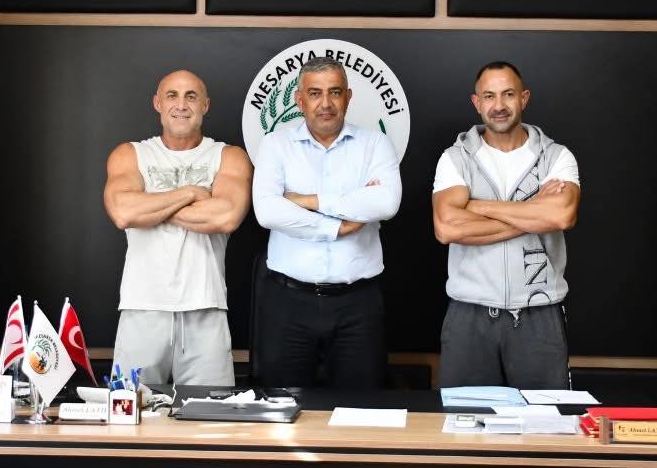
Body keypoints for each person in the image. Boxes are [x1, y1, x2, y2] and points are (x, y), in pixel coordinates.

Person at [251, 56, 402, 388]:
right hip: (288, 302)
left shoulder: (375, 143)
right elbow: (267, 211)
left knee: (360, 406)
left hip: (357, 304)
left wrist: (307, 201)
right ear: (299, 100)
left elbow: (386, 203)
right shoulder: (276, 144)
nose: (326, 103)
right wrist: (335, 225)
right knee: (282, 406)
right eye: (315, 93)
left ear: (348, 97)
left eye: (335, 92)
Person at [431, 61, 581, 389]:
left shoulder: (556, 156)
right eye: (489, 96)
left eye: (508, 94)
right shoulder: (455, 158)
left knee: (544, 418)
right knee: (465, 418)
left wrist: (477, 206)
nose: (498, 105)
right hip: (469, 315)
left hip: (539, 314)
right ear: (477, 103)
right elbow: (447, 227)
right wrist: (532, 212)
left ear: (524, 98)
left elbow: (561, 216)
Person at [103, 70, 252, 386]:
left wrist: (150, 206)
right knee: (130, 409)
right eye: (172, 95)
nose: (181, 105)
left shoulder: (229, 156)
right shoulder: (131, 154)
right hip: (142, 308)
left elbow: (226, 217)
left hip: (206, 308)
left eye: (191, 97)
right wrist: (191, 193)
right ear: (157, 103)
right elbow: (123, 212)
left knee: (210, 415)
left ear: (205, 105)